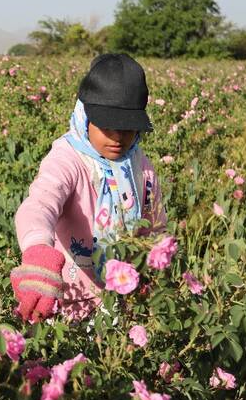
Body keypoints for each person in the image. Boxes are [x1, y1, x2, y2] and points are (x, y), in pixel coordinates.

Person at [11, 53, 168, 323]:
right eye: (108, 126)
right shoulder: (67, 159)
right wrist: (38, 250)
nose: (118, 138)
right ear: (85, 116)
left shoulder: (140, 166)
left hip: (120, 300)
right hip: (66, 301)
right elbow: (39, 204)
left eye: (128, 127)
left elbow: (154, 227)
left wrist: (154, 271)